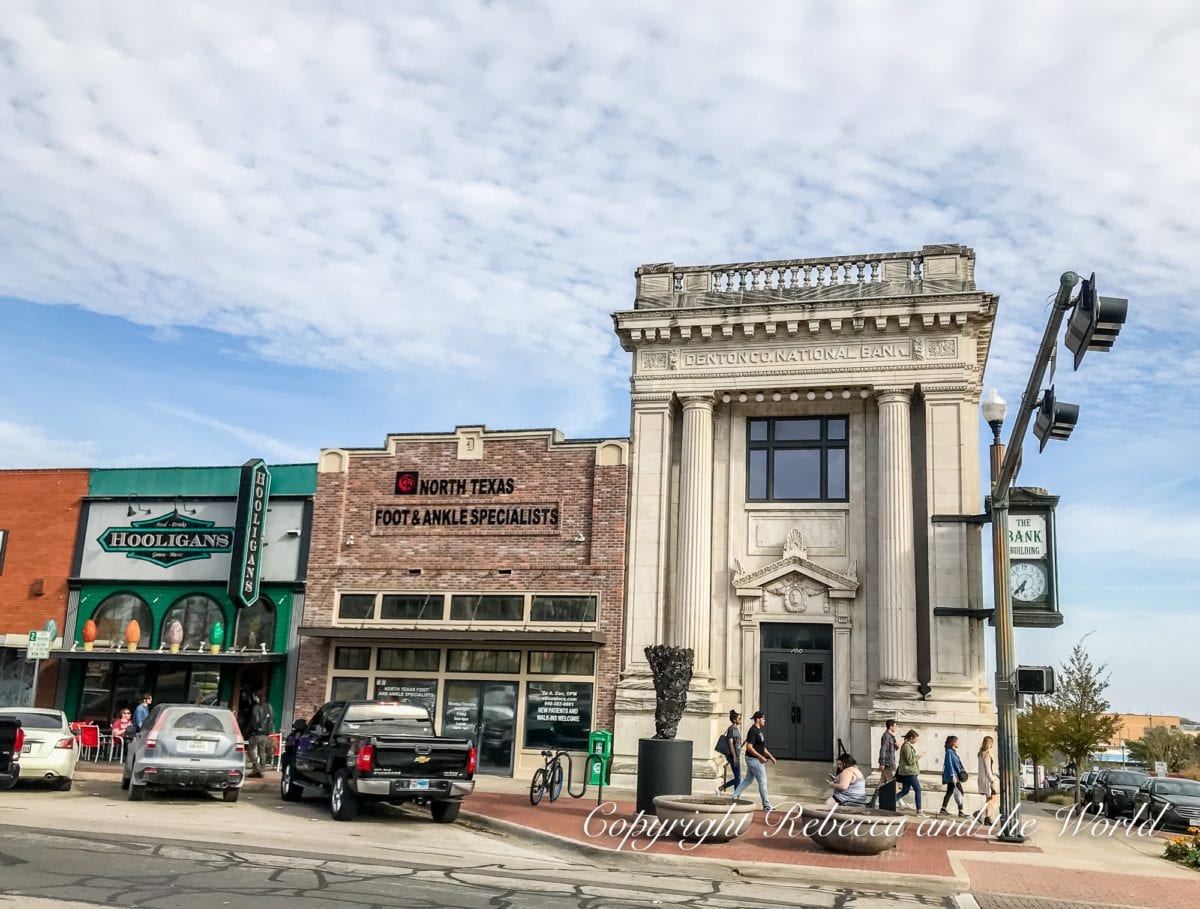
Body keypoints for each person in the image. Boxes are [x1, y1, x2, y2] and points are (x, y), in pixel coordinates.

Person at [731, 710, 777, 811]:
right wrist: (760, 757)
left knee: (748, 779)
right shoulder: (753, 731)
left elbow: (762, 747)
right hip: (754, 760)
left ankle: (734, 796)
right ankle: (766, 805)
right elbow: (749, 747)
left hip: (754, 759)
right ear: (758, 719)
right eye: (763, 718)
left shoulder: (759, 731)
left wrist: (771, 757)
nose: (764, 720)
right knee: (763, 781)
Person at [247, 692, 276, 777]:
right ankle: (263, 769)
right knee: (262, 751)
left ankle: (256, 766)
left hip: (256, 733)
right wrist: (270, 731)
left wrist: (250, 730)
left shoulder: (256, 707)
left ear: (257, 697)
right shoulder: (269, 707)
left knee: (250, 749)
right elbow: (272, 720)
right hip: (265, 734)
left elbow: (254, 720)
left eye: (254, 697)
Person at [895, 729, 923, 814]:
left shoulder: (906, 746)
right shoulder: (906, 746)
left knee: (905, 791)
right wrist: (919, 756)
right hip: (909, 773)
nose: (916, 741)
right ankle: (919, 811)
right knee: (918, 790)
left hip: (907, 772)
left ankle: (890, 802)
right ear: (911, 737)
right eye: (915, 739)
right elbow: (910, 761)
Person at [715, 709, 743, 796]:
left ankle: (735, 795)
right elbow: (730, 743)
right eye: (739, 718)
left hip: (735, 754)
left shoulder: (735, 729)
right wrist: (734, 756)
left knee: (737, 777)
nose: (740, 720)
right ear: (734, 720)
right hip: (733, 755)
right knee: (738, 778)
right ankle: (721, 788)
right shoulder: (732, 729)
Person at [940, 734, 967, 816]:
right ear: (953, 743)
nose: (958, 743)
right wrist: (953, 776)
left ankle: (943, 809)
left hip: (955, 775)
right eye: (957, 741)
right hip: (953, 776)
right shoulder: (949, 752)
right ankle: (961, 811)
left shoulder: (952, 752)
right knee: (960, 791)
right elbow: (949, 764)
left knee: (949, 792)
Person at [977, 735, 999, 825]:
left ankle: (987, 818)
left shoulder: (980, 754)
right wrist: (992, 780)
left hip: (982, 778)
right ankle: (980, 813)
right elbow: (988, 769)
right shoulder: (987, 755)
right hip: (987, 779)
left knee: (988, 799)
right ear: (989, 744)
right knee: (993, 799)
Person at [878, 718, 899, 783]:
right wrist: (882, 763)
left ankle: (878, 793)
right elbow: (883, 750)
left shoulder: (891, 736)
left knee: (882, 782)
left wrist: (896, 745)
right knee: (893, 783)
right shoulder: (886, 736)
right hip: (888, 763)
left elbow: (892, 748)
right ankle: (896, 793)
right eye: (895, 726)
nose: (896, 728)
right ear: (890, 727)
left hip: (890, 762)